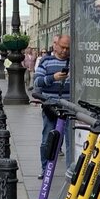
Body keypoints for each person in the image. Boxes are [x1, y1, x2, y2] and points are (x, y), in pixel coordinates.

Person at [33, 34, 72, 179]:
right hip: (51, 107)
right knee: (47, 140)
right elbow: (37, 82)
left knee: (70, 142)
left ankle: (70, 171)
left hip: (69, 108)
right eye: (62, 47)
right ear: (55, 46)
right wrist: (53, 78)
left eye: (68, 48)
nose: (65, 51)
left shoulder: (74, 61)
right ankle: (45, 169)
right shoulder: (46, 61)